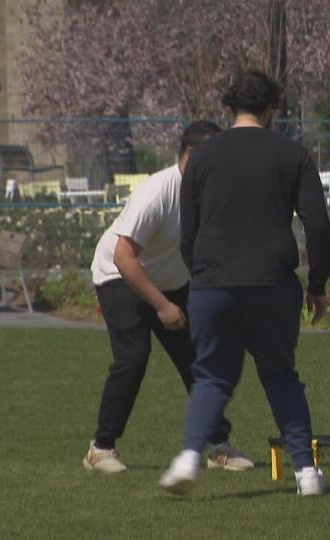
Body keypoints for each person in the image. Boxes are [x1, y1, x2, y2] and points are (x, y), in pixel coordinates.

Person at [159, 70, 330, 496]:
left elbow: (189, 229)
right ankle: (306, 473)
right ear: (272, 109)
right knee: (281, 377)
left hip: (213, 284)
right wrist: (318, 283)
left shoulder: (202, 156)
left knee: (212, 377)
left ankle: (188, 456)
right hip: (273, 284)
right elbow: (318, 228)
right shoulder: (292, 154)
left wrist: (199, 273)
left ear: (230, 107)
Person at [85, 121, 252, 474]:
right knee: (133, 356)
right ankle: (100, 450)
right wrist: (161, 306)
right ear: (190, 156)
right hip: (119, 274)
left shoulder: (209, 192)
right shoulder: (156, 193)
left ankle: (218, 447)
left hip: (172, 281)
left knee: (200, 359)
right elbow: (123, 256)